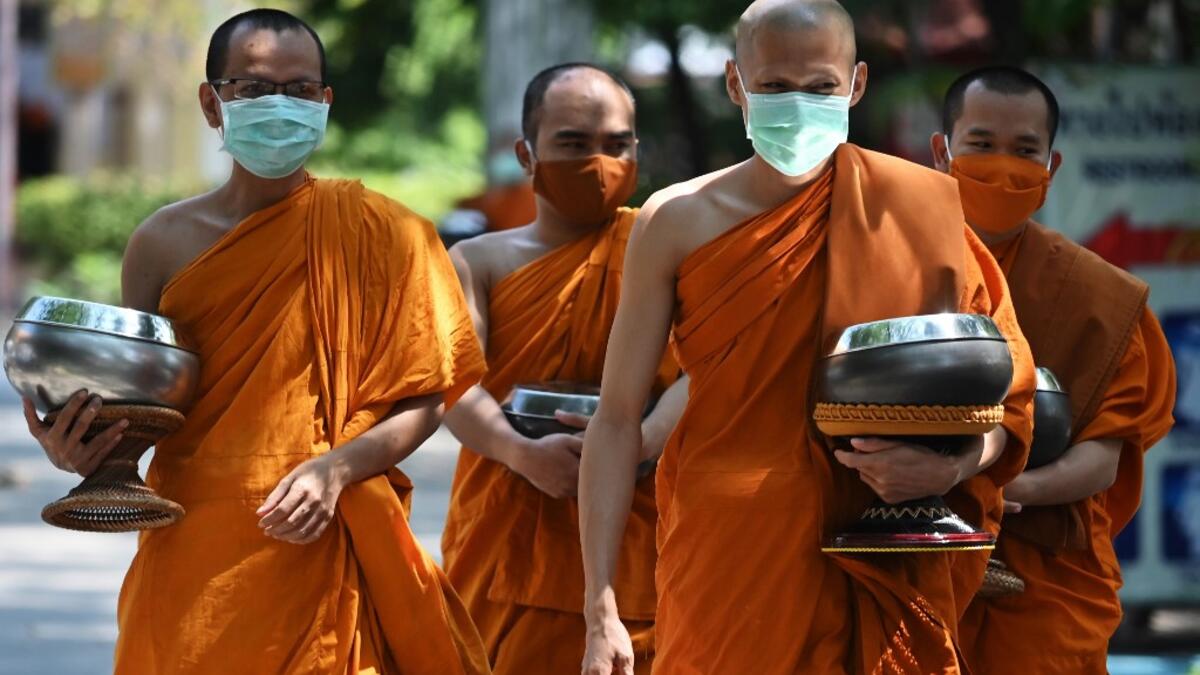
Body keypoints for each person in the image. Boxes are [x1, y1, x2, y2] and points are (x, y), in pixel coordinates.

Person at [21, 9, 491, 673]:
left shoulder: (389, 234)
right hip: (196, 552)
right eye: (250, 88)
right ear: (212, 104)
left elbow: (426, 398)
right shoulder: (161, 244)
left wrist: (339, 467)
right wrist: (82, 448)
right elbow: (145, 405)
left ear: (326, 103)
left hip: (327, 538)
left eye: (299, 90)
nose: (278, 105)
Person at [576, 1, 1037, 673]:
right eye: (774, 87)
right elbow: (616, 419)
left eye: (820, 87)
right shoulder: (673, 221)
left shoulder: (918, 207)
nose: (797, 106)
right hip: (729, 551)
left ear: (856, 84)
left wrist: (951, 467)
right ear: (735, 84)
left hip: (881, 539)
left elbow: (1006, 395)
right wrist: (601, 604)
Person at [441, 63, 686, 675]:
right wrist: (520, 452)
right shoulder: (478, 260)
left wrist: (641, 440)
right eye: (573, 144)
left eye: (616, 145)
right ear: (527, 154)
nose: (598, 163)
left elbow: (706, 367)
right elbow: (451, 384)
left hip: (643, 530)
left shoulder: (673, 251)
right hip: (511, 529)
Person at [931, 65, 1177, 675]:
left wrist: (996, 492)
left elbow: (1103, 458)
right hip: (910, 553)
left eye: (1025, 151)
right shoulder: (890, 267)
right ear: (943, 152)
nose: (1003, 166)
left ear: (1052, 167)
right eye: (981, 146)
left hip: (1042, 578)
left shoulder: (1099, 297)